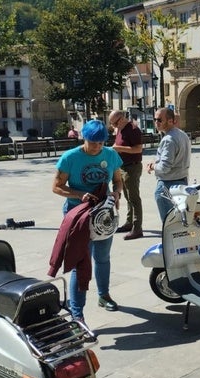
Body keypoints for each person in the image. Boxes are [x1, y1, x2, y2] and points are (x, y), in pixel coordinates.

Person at [50, 119, 123, 322]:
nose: (97, 147)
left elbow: (117, 180)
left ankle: (103, 295)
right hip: (79, 217)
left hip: (103, 215)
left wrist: (117, 193)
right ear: (84, 138)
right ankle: (77, 312)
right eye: (93, 142)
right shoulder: (70, 158)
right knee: (80, 262)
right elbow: (56, 187)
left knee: (103, 257)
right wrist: (79, 194)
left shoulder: (111, 155)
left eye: (101, 143)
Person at [146, 108, 191, 223]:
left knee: (170, 225)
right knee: (180, 222)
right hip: (182, 181)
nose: (156, 122)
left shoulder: (168, 139)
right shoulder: (182, 135)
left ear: (170, 121)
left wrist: (153, 167)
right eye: (155, 119)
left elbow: (164, 167)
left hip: (168, 184)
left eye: (160, 120)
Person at [110, 110, 144, 240]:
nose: (113, 126)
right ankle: (129, 223)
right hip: (122, 166)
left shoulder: (133, 129)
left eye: (114, 123)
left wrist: (118, 148)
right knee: (127, 196)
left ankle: (137, 228)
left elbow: (138, 149)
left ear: (122, 118)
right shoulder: (120, 129)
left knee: (134, 198)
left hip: (132, 167)